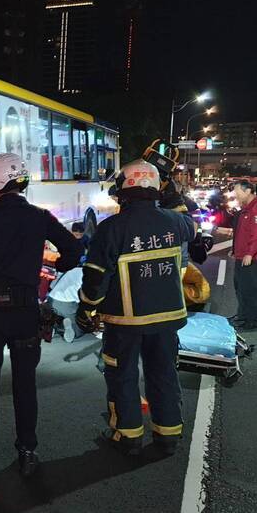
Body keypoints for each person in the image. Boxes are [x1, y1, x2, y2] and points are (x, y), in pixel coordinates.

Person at [0, 153, 82, 477]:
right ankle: (27, 451)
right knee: (24, 385)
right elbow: (73, 250)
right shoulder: (40, 217)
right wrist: (53, 268)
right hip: (26, 311)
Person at [77, 159, 195, 457]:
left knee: (123, 376)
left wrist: (87, 309)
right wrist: (170, 190)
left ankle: (128, 435)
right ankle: (168, 435)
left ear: (122, 191)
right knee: (163, 374)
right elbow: (189, 222)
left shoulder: (111, 229)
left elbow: (95, 277)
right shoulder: (176, 222)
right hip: (168, 319)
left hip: (125, 321)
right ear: (156, 188)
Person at [229, 180, 257, 331]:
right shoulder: (247, 208)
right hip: (242, 255)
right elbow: (242, 232)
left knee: (251, 289)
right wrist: (235, 250)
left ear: (248, 191)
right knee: (240, 287)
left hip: (253, 258)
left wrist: (249, 253)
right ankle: (242, 316)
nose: (236, 195)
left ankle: (252, 321)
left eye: (237, 191)